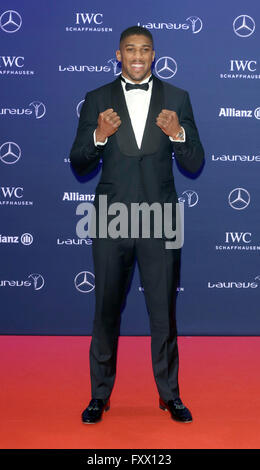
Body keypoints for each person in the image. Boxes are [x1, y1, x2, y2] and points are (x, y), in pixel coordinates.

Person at [70, 26, 204, 424]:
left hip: (160, 220)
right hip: (112, 219)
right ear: (118, 54)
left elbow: (195, 162)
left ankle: (170, 395)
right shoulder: (97, 98)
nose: (138, 56)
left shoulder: (177, 98)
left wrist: (177, 133)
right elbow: (78, 161)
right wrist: (98, 135)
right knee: (106, 311)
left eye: (145, 49)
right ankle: (98, 396)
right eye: (130, 49)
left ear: (154, 54)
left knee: (163, 311)